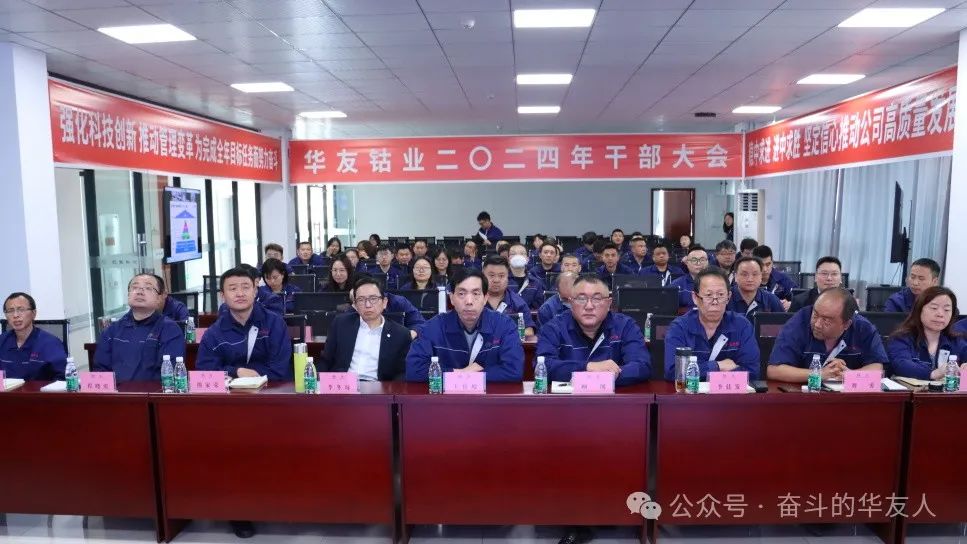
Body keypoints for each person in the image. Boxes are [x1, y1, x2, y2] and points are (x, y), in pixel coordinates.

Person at [405, 268, 523, 382]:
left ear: (485, 298)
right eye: (461, 294)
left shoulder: (504, 325)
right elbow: (414, 370)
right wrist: (460, 373)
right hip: (447, 395)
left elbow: (514, 370)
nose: (469, 301)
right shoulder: (433, 327)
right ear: (452, 298)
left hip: (489, 395)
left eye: (476, 293)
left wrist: (464, 376)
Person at [538, 275, 652, 387]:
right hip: (569, 398)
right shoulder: (553, 328)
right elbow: (544, 365)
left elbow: (642, 366)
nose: (589, 306)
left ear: (608, 304)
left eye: (597, 299)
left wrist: (601, 377)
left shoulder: (625, 326)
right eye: (581, 299)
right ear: (571, 303)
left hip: (613, 398)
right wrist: (588, 367)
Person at [768, 287, 888, 383]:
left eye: (826, 320)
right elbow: (774, 371)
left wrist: (849, 375)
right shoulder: (799, 322)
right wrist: (819, 374)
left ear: (846, 324)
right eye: (815, 315)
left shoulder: (863, 328)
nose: (817, 324)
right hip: (802, 397)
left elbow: (877, 368)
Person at [196, 267, 293, 381]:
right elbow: (205, 373)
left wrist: (251, 376)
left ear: (255, 291)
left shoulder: (274, 324)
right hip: (231, 391)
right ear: (222, 296)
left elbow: (280, 368)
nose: (240, 294)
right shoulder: (213, 334)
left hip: (271, 389)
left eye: (245, 287)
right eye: (233, 289)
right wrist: (236, 372)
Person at [663, 267, 760, 380]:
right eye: (708, 295)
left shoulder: (741, 325)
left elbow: (752, 372)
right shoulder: (680, 327)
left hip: (728, 390)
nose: (715, 302)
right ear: (695, 298)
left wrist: (703, 373)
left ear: (728, 297)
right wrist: (717, 366)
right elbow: (674, 371)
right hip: (690, 391)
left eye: (720, 295)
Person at [94, 274, 185, 382]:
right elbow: (100, 371)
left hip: (152, 392)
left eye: (148, 288)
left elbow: (170, 376)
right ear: (128, 295)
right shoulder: (111, 331)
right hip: (116, 392)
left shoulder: (170, 330)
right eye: (135, 287)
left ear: (159, 298)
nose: (140, 292)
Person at [321, 277, 412, 381]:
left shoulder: (401, 334)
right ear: (355, 305)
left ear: (384, 302)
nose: (368, 305)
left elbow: (401, 373)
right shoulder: (340, 324)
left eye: (373, 299)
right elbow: (326, 360)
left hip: (378, 387)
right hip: (344, 385)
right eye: (361, 300)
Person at [887, 286, 967, 380]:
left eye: (946, 310)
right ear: (919, 310)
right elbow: (901, 365)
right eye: (934, 308)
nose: (940, 314)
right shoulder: (901, 338)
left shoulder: (956, 340)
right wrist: (934, 373)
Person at [0, 292, 68, 381]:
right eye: (10, 311)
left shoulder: (50, 343)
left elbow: (63, 378)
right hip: (7, 390)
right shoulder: (2, 340)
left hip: (40, 390)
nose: (15, 315)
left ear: (34, 313)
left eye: (21, 310)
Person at [482, 256, 536, 336]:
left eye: (501, 276)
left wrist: (502, 336)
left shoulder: (519, 303)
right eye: (491, 275)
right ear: (483, 276)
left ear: (508, 277)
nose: (496, 280)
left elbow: (529, 332)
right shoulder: (473, 300)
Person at [726, 256, 785, 320]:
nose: (750, 279)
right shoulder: (725, 298)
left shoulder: (771, 300)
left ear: (761, 276)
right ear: (735, 276)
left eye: (755, 274)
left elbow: (782, 324)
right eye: (744, 274)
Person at [670, 245, 709, 311]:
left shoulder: (717, 283)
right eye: (694, 260)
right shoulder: (676, 285)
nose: (698, 263)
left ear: (708, 262)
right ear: (687, 263)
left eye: (702, 260)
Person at [507, 243, 545, 310]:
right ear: (508, 259)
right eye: (513, 254)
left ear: (527, 259)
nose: (518, 256)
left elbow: (539, 308)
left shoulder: (536, 283)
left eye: (522, 253)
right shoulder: (502, 281)